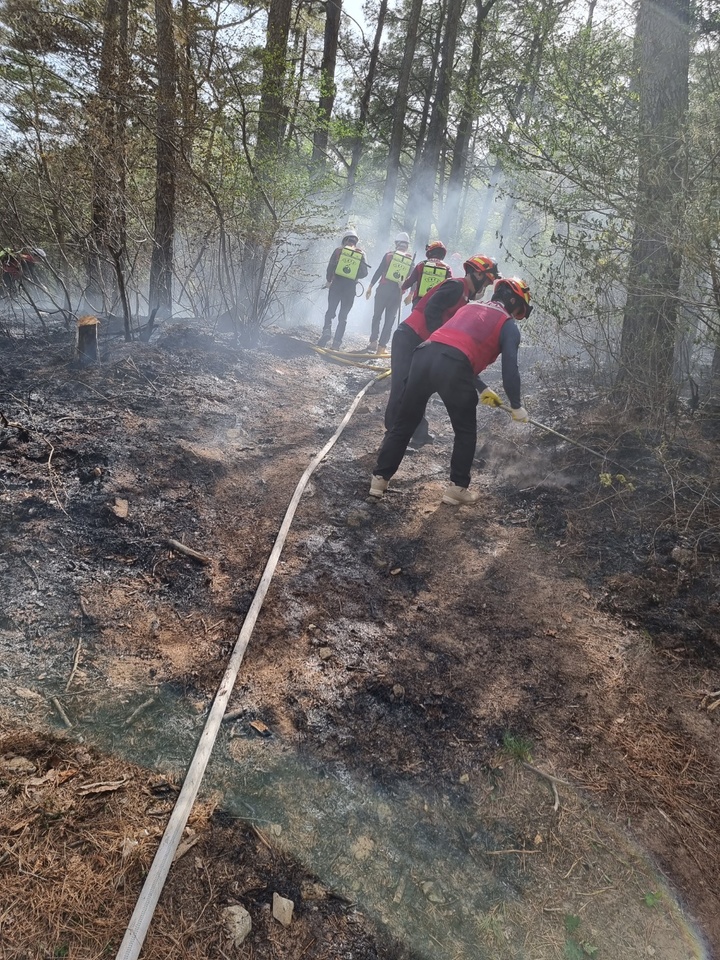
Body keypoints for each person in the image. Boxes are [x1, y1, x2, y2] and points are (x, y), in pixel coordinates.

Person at [368, 277, 532, 506]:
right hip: (454, 365)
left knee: (404, 422)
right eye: (519, 310)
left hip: (424, 354)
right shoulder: (508, 324)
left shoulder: (470, 307)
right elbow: (510, 369)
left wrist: (482, 387)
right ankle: (457, 488)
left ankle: (379, 479)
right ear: (514, 301)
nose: (517, 315)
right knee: (465, 431)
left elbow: (452, 345)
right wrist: (516, 404)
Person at [384, 254, 500, 449]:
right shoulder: (456, 286)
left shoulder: (463, 298)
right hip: (409, 337)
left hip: (421, 343)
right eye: (487, 283)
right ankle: (391, 438)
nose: (485, 289)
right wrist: (439, 340)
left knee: (416, 389)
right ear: (478, 275)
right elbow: (431, 310)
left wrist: (480, 385)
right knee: (401, 388)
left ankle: (419, 433)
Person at [318, 230, 369, 349]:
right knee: (343, 316)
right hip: (350, 289)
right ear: (356, 241)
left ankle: (326, 331)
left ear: (344, 239)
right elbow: (365, 273)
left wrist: (328, 280)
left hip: (336, 285)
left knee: (330, 310)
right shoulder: (361, 254)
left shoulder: (338, 251)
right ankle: (337, 342)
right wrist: (354, 275)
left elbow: (330, 267)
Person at [364, 232, 414, 353]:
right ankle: (382, 346)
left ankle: (373, 342)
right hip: (397, 293)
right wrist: (411, 294)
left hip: (383, 289)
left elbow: (379, 271)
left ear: (396, 243)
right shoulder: (409, 259)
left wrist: (370, 286)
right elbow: (413, 279)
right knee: (390, 319)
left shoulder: (388, 255)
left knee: (377, 316)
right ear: (407, 245)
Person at [401, 240, 452, 308]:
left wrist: (402, 286)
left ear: (430, 252)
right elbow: (450, 286)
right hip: (436, 304)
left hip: (419, 302)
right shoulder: (447, 268)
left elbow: (410, 281)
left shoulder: (421, 265)